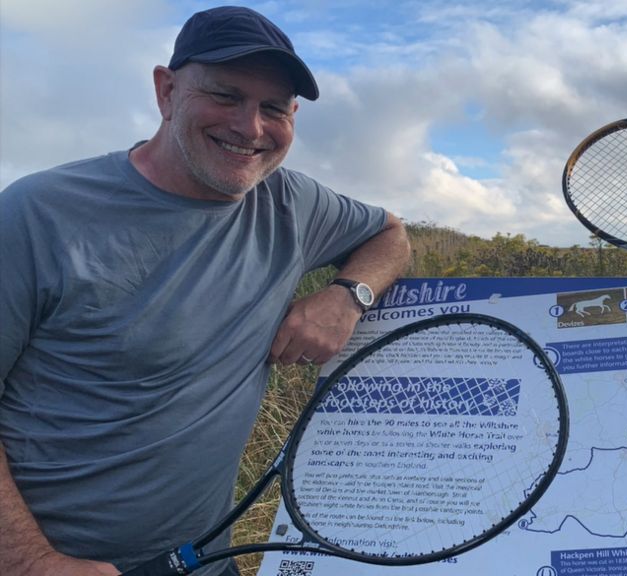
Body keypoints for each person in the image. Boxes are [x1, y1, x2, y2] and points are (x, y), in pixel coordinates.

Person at [0, 6, 411, 576]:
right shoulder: (36, 214)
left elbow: (391, 234)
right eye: (224, 95)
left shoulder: (292, 204)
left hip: (205, 560)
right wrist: (29, 561)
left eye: (273, 108)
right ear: (165, 91)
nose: (250, 127)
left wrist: (348, 295)